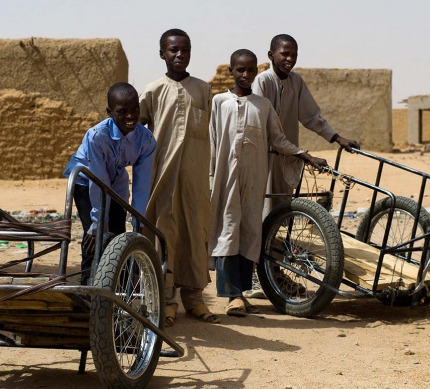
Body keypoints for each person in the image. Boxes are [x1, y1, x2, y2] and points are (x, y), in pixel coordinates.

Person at [208, 49, 327, 316]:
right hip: (225, 178)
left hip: (254, 178)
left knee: (250, 229)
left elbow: (278, 138)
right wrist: (211, 179)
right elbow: (213, 144)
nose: (246, 75)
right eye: (240, 70)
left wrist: (303, 154)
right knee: (228, 229)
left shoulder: (262, 106)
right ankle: (232, 295)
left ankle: (242, 290)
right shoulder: (219, 103)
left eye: (251, 70)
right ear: (232, 71)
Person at [246, 34, 361, 298]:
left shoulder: (296, 82)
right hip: (264, 159)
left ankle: (273, 270)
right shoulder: (262, 82)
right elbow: (267, 127)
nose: (289, 59)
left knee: (281, 215)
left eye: (293, 55)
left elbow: (311, 116)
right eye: (284, 54)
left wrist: (337, 138)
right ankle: (257, 275)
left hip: (286, 159)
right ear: (271, 55)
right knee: (262, 214)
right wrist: (303, 154)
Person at [139, 29, 219, 326]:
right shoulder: (152, 91)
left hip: (195, 181)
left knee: (195, 236)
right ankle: (167, 298)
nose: (179, 55)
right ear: (163, 53)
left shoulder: (202, 90)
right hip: (164, 181)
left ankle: (194, 299)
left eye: (185, 50)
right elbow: (136, 128)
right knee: (166, 235)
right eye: (173, 50)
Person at [64, 83, 156, 285]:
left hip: (115, 178)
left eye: (134, 110)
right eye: (122, 112)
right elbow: (98, 180)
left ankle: (119, 285)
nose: (130, 116)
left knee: (117, 233)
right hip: (86, 179)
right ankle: (88, 281)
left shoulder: (146, 140)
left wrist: (138, 222)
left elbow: (141, 185)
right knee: (95, 235)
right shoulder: (97, 136)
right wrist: (98, 221)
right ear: (109, 112)